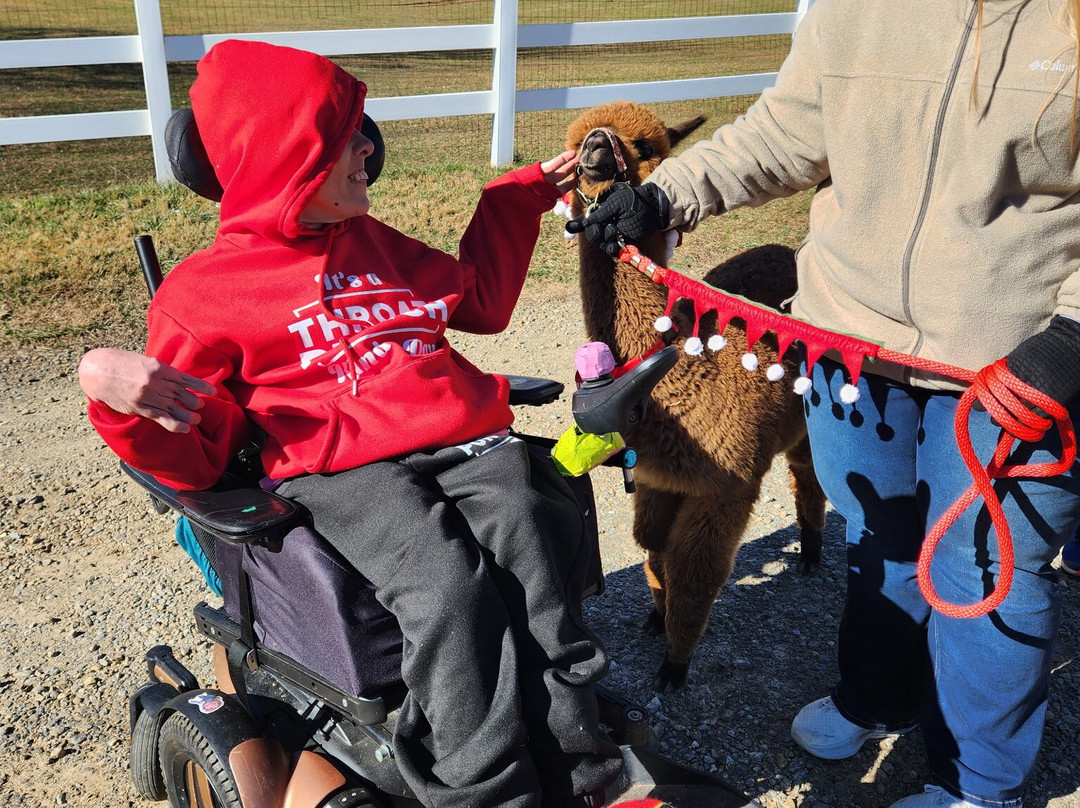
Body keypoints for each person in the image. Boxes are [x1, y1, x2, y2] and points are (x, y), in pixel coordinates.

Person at [81, 39, 624, 808]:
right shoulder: (201, 297)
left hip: (462, 437)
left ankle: (582, 769)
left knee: (539, 543)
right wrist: (112, 393)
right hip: (341, 468)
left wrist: (514, 200)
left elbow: (479, 302)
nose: (368, 148)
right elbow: (197, 461)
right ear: (284, 160)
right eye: (344, 140)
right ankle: (487, 791)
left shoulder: (373, 244)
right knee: (447, 589)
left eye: (363, 132)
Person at [566, 1, 1080, 807]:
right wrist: (665, 197)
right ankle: (880, 697)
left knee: (984, 568)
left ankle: (981, 782)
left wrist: (1074, 335)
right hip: (847, 338)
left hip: (1016, 359)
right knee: (879, 535)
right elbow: (790, 129)